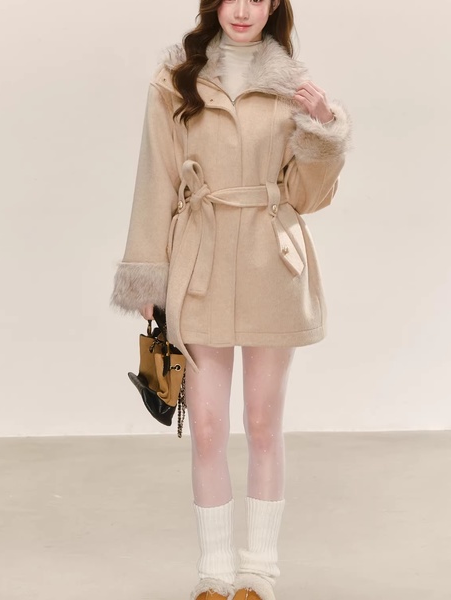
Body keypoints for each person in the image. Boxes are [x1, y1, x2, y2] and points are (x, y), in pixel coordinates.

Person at [110, 0, 351, 598]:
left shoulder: (293, 86)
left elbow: (307, 197)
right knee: (209, 426)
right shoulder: (176, 79)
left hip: (273, 261)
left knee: (263, 423)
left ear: (274, 5)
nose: (243, 9)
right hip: (201, 261)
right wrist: (148, 276)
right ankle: (214, 574)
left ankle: (258, 573)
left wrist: (324, 129)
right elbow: (156, 179)